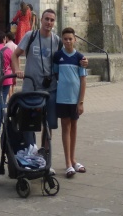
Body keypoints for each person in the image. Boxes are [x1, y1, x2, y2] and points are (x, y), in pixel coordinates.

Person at [11, 8, 88, 147]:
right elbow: (14, 55)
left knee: (49, 124)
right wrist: (17, 70)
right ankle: (31, 154)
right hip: (30, 88)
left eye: (52, 20)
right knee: (29, 123)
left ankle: (45, 154)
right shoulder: (31, 36)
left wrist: (83, 61)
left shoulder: (57, 41)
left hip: (50, 89)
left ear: (54, 23)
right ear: (41, 20)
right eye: (46, 19)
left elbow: (70, 55)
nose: (49, 22)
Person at [53, 27, 87, 178]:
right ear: (62, 40)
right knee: (65, 127)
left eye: (70, 39)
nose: (67, 41)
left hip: (75, 99)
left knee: (74, 127)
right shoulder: (58, 56)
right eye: (65, 39)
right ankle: (67, 163)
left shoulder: (80, 58)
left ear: (75, 40)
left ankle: (73, 160)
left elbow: (83, 80)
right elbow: (55, 74)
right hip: (62, 98)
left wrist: (81, 101)